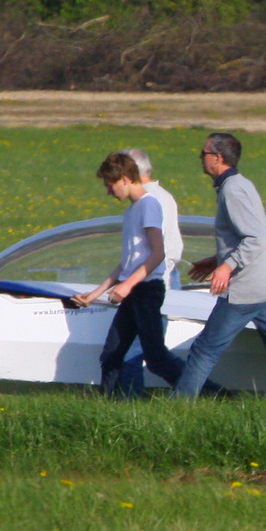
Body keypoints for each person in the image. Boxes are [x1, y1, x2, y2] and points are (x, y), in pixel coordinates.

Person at [175, 132, 266, 399]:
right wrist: (215, 261)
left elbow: (254, 237)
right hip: (264, 289)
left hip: (244, 293)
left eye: (203, 154)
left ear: (217, 158)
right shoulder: (239, 185)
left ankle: (177, 408)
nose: (201, 159)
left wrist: (227, 266)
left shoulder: (233, 190)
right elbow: (250, 235)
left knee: (204, 351)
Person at [70, 152, 185, 397]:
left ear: (124, 179)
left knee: (155, 358)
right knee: (111, 353)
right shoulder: (132, 210)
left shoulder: (149, 204)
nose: (108, 191)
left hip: (147, 291)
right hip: (134, 290)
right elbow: (127, 263)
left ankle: (207, 392)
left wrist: (127, 286)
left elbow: (158, 254)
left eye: (109, 185)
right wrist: (96, 293)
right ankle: (113, 405)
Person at [122, 148, 183, 288]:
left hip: (154, 278)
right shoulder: (164, 195)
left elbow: (157, 250)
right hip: (168, 271)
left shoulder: (146, 200)